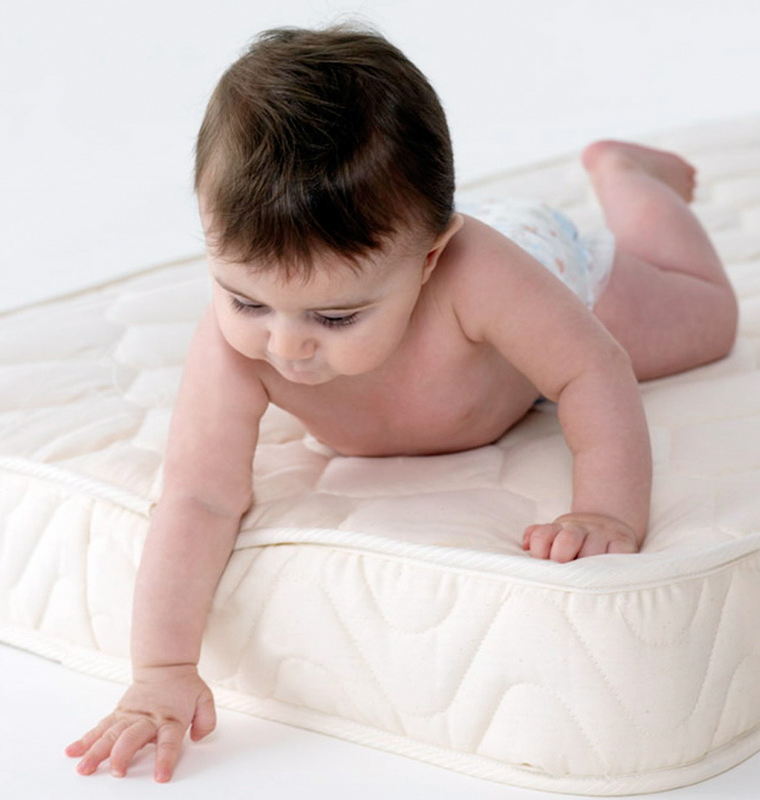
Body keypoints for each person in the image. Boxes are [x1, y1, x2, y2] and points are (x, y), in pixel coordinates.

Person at [65, 25, 739, 782]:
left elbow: (592, 371)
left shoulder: (476, 275)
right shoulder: (232, 346)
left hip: (542, 263)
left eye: (334, 318)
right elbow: (198, 496)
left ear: (429, 259)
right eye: (246, 300)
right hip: (394, 250)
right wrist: (161, 669)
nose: (285, 346)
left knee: (708, 320)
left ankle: (624, 175)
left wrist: (606, 511)